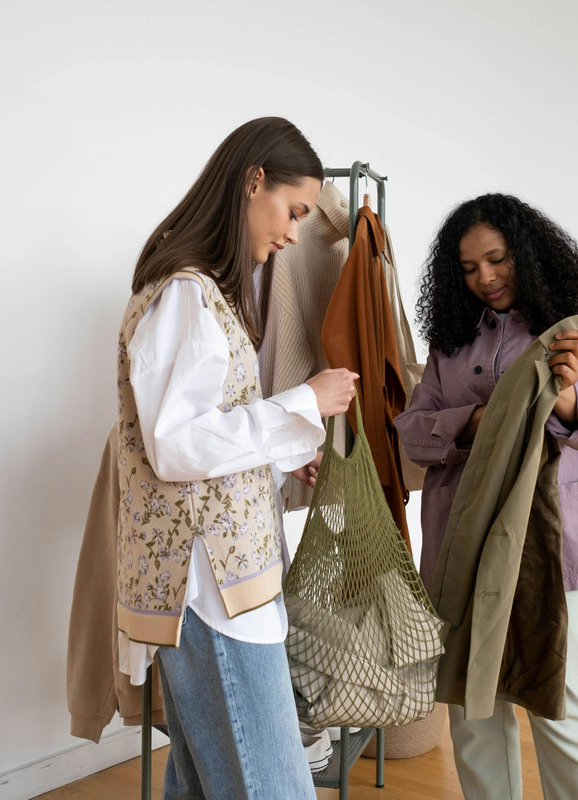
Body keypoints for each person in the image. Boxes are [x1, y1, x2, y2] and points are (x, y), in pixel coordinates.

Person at [114, 116, 357, 799]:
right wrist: (303, 402)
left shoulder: (210, 294)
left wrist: (280, 458)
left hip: (226, 581)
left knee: (205, 785)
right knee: (273, 786)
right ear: (254, 182)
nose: (292, 233)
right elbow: (176, 444)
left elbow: (203, 439)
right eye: (292, 210)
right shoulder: (185, 296)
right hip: (211, 589)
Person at [394, 193, 578, 800]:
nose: (485, 278)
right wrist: (479, 422)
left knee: (560, 695)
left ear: (526, 253)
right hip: (464, 538)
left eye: (497, 260)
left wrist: (562, 395)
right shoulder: (452, 341)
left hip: (558, 543)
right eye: (469, 268)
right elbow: (414, 430)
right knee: (472, 701)